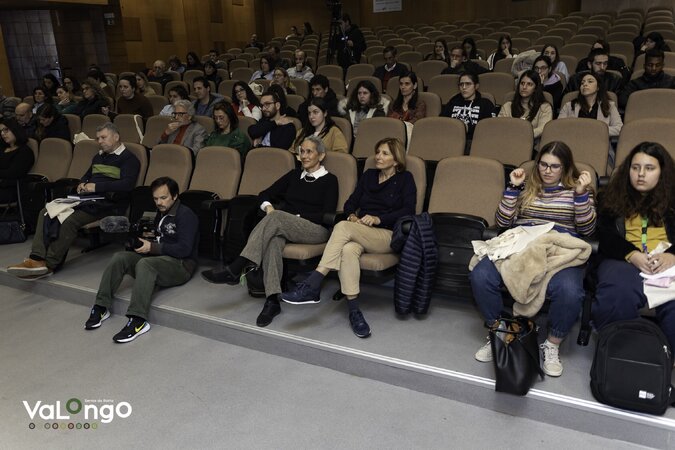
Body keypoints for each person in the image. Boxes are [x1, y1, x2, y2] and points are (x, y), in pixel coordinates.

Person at [470, 141, 596, 377]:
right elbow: (503, 222)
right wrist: (512, 188)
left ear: (566, 167)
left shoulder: (577, 189)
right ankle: (500, 332)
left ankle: (552, 344)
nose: (547, 171)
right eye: (543, 165)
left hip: (558, 246)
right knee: (481, 275)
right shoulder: (527, 187)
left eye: (555, 166)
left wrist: (581, 195)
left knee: (569, 290)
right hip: (522, 243)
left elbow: (587, 229)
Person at [281, 137, 417, 338]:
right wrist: (353, 215)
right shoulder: (369, 176)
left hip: (386, 234)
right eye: (377, 152)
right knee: (347, 249)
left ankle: (313, 282)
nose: (378, 157)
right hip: (361, 230)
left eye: (384, 153)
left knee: (342, 226)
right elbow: (350, 203)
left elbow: (408, 211)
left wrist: (378, 219)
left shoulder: (405, 179)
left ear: (396, 160)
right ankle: (354, 311)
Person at [201, 135, 338, 327]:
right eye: (302, 151)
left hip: (315, 230)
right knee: (273, 241)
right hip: (283, 225)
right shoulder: (293, 175)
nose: (304, 156)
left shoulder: (330, 180)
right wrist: (269, 208)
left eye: (309, 151)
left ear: (321, 156)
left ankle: (238, 266)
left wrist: (293, 217)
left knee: (277, 218)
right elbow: (264, 194)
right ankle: (272, 300)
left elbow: (326, 214)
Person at [6, 122, 140, 279]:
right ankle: (36, 258)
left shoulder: (129, 159)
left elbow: (126, 185)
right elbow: (87, 175)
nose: (100, 141)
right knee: (46, 211)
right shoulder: (99, 156)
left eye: (103, 137)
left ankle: (50, 264)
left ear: (116, 137)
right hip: (87, 199)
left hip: (108, 203)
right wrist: (82, 183)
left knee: (69, 220)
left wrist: (96, 187)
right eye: (98, 138)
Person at [84, 176, 199, 343]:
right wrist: (141, 241)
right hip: (158, 259)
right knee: (119, 257)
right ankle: (101, 306)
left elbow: (184, 249)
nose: (159, 202)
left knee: (146, 264)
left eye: (163, 198)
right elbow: (157, 238)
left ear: (175, 196)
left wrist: (152, 248)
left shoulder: (186, 215)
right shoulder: (160, 212)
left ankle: (138, 320)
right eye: (156, 198)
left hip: (180, 265)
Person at [592, 142, 675, 351]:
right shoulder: (611, 196)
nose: (641, 174)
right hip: (624, 259)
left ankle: (667, 358)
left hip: (668, 262)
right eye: (635, 167)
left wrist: (672, 255)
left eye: (649, 168)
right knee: (617, 292)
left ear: (662, 172)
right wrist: (632, 254)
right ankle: (616, 350)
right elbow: (606, 235)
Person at [559, 72, 623, 137]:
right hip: (573, 140)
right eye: (582, 83)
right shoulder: (568, 106)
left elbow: (619, 129)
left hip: (599, 141)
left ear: (598, 87)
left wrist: (595, 130)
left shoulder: (609, 106)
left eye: (590, 81)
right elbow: (558, 127)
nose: (585, 84)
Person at [441, 72, 494, 143]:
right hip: (451, 140)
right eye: (461, 84)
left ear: (476, 86)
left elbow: (489, 128)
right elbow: (442, 122)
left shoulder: (485, 104)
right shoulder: (453, 102)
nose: (464, 87)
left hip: (476, 142)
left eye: (468, 84)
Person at [498, 70, 552, 139]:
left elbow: (542, 129)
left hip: (533, 143)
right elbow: (500, 127)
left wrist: (522, 135)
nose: (524, 87)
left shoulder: (544, 107)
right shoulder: (508, 106)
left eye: (529, 84)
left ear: (535, 88)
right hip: (508, 141)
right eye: (522, 83)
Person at [0, 118, 35, 203]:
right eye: (1, 131)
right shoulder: (2, 148)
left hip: (11, 189)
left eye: (6, 130)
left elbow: (13, 173)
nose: (2, 134)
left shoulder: (25, 152)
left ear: (15, 129)